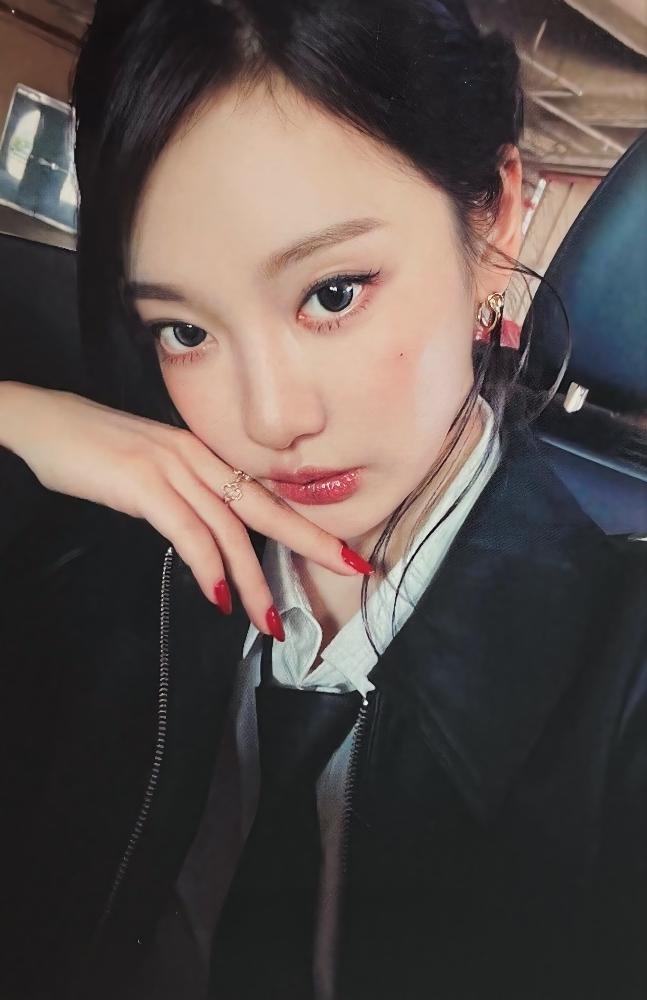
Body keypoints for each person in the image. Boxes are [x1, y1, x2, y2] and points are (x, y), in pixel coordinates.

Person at [0, 1, 645, 998]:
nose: (268, 418)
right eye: (183, 330)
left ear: (492, 217)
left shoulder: (622, 678)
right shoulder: (102, 550)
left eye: (332, 293)